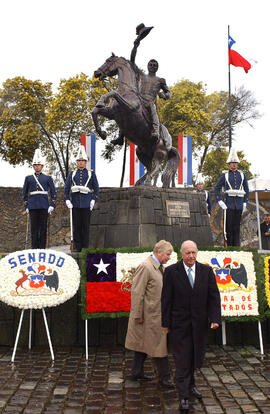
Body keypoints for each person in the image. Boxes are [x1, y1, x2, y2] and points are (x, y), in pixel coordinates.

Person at [161, 240, 221, 412]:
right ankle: (184, 396)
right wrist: (165, 323)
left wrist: (215, 318)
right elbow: (166, 299)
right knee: (182, 362)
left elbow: (213, 297)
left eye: (194, 252)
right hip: (179, 326)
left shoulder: (206, 271)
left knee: (194, 358)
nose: (191, 256)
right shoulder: (172, 272)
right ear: (181, 254)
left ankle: (191, 385)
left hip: (200, 325)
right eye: (188, 253)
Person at [125, 240, 174, 388]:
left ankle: (136, 372)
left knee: (143, 344)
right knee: (159, 346)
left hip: (154, 313)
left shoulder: (158, 267)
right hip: (149, 315)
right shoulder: (146, 267)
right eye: (168, 254)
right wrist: (137, 315)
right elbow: (137, 292)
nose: (169, 257)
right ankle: (165, 378)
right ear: (159, 253)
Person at [64, 145, 99, 252]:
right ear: (76, 162)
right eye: (79, 161)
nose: (81, 163)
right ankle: (77, 247)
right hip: (75, 203)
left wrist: (93, 200)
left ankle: (85, 247)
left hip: (86, 204)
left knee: (85, 227)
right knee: (76, 226)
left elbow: (96, 188)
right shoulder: (72, 173)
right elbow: (66, 188)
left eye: (83, 161)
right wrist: (67, 199)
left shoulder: (90, 173)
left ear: (86, 162)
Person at [214, 148, 249, 246]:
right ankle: (229, 247)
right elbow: (216, 189)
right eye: (232, 163)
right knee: (228, 228)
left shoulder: (242, 175)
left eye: (235, 163)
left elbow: (246, 188)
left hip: (239, 204)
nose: (234, 164)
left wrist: (245, 201)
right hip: (228, 204)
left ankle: (237, 247)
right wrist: (220, 201)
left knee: (237, 227)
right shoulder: (224, 175)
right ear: (228, 164)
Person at [23, 149, 56, 249]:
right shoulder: (28, 178)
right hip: (32, 206)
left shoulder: (48, 178)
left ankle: (42, 248)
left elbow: (53, 192)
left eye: (39, 165)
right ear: (33, 166)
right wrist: (26, 205)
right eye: (35, 165)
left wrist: (52, 205)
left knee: (43, 228)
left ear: (42, 166)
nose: (37, 166)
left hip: (44, 205)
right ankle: (34, 248)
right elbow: (24, 192)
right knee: (34, 229)